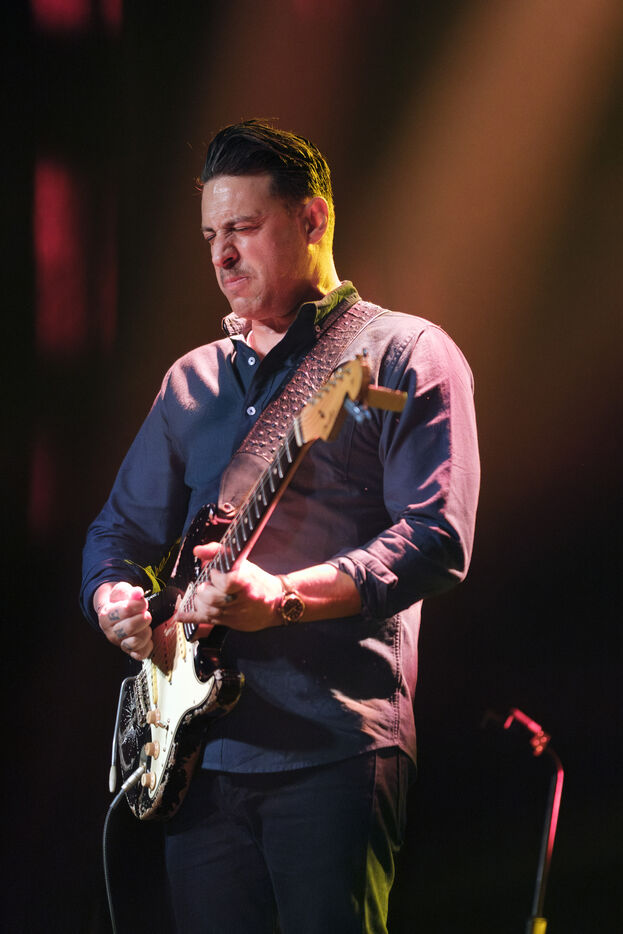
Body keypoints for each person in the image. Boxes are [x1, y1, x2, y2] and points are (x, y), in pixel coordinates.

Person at [81, 120, 480, 934]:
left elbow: (436, 536)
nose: (222, 256)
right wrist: (112, 600)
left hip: (333, 748)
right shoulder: (191, 382)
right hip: (196, 759)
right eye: (210, 236)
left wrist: (284, 598)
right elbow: (114, 535)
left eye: (243, 228)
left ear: (313, 219)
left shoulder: (401, 354)